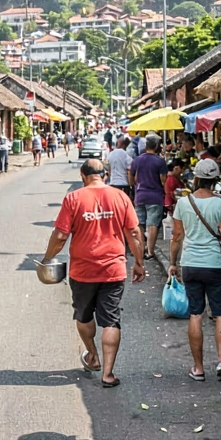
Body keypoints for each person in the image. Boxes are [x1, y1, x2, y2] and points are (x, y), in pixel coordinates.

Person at [42, 158, 145, 388]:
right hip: (113, 269)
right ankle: (108, 374)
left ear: (82, 175)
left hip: (82, 270)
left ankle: (92, 355)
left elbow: (60, 236)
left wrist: (47, 258)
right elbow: (134, 233)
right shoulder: (120, 197)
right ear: (105, 175)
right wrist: (139, 262)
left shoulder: (73, 198)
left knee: (83, 315)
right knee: (111, 320)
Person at [170, 158, 221, 381]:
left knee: (196, 313)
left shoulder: (183, 203)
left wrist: (172, 262)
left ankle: (198, 368)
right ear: (215, 180)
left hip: (190, 263)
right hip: (215, 264)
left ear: (196, 178)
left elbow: (177, 236)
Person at [130, 135, 168, 261]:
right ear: (157, 146)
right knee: (153, 224)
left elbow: (131, 177)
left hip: (140, 195)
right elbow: (163, 181)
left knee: (140, 224)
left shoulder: (137, 160)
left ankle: (141, 248)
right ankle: (150, 251)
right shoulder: (160, 161)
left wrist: (135, 185)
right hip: (155, 196)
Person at [105, 136, 132, 200]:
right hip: (124, 184)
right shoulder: (126, 155)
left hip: (113, 183)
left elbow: (108, 169)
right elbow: (129, 171)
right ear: (124, 145)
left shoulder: (110, 154)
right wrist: (131, 185)